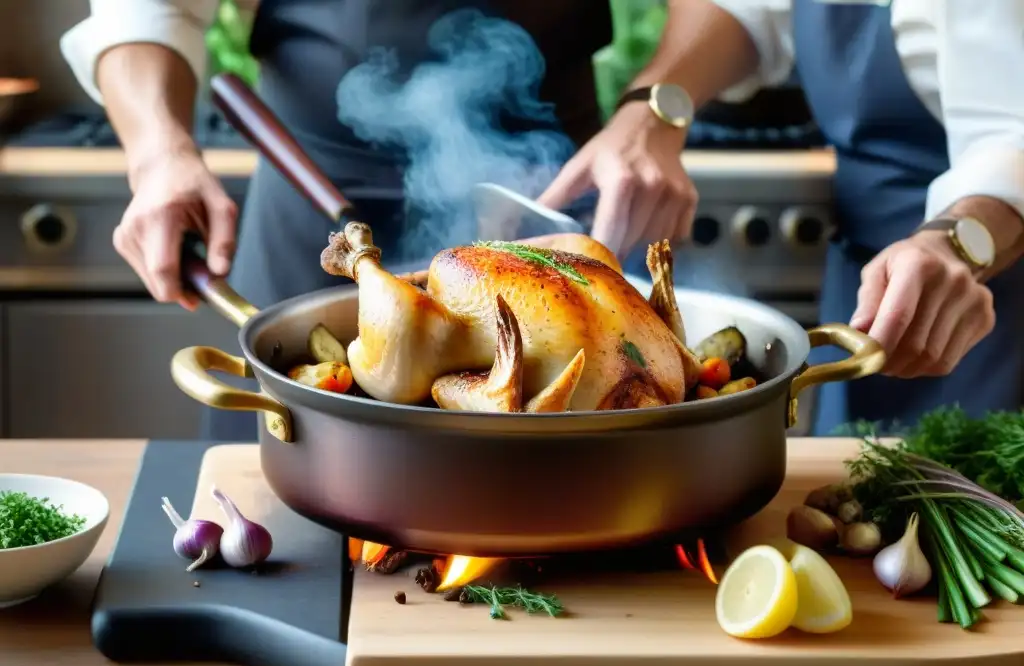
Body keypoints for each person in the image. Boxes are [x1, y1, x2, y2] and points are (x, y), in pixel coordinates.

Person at [62, 0, 1024, 440]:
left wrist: (653, 112)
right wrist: (159, 153)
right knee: (307, 478)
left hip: (549, 182)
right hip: (306, 182)